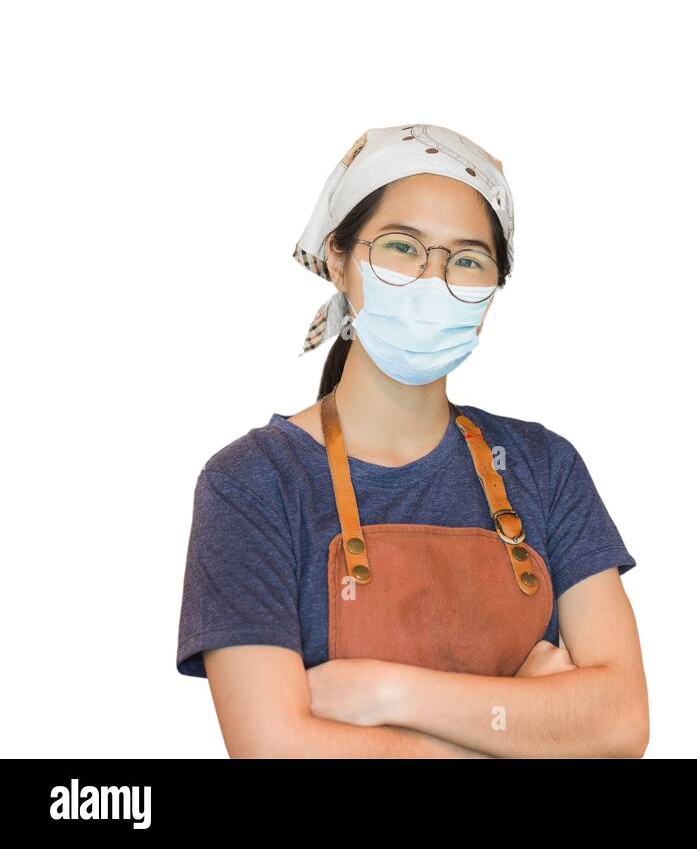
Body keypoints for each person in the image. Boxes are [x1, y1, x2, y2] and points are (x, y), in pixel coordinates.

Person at [175, 123, 648, 758]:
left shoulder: (544, 467)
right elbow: (274, 750)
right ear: (340, 260)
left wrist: (386, 693)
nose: (433, 279)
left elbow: (620, 723)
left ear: (492, 292)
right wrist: (526, 732)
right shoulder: (253, 484)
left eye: (468, 258)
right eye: (402, 247)